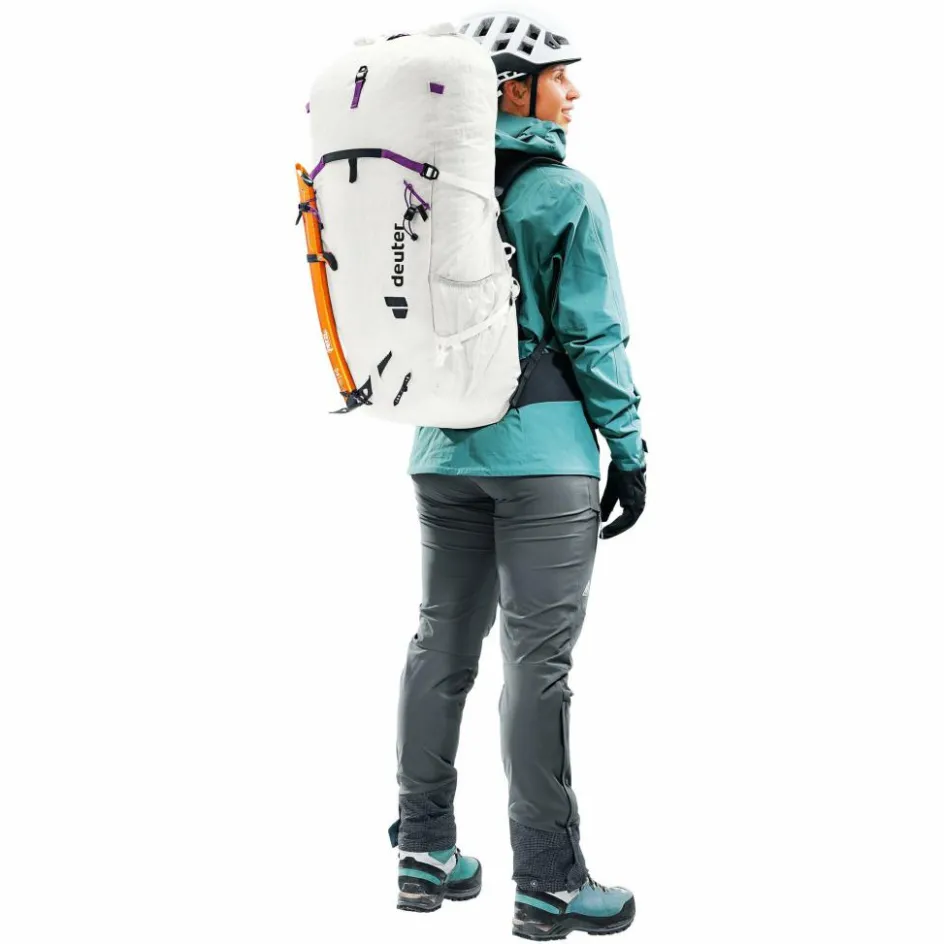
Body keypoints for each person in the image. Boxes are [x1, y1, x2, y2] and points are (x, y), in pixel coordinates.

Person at [388, 12, 646, 939]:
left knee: (438, 647)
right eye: (558, 76)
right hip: (545, 464)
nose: (574, 90)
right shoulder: (562, 194)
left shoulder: (424, 190)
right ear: (509, 89)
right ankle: (549, 880)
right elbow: (594, 336)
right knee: (539, 667)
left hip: (440, 454)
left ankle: (423, 849)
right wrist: (631, 451)